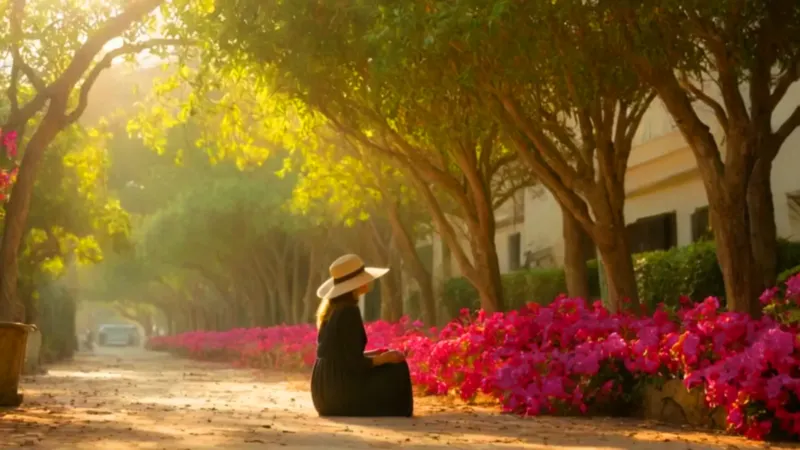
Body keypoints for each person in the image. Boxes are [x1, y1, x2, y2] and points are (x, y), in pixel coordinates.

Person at [311, 254, 414, 417]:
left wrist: (376, 354)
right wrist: (386, 358)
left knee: (390, 361)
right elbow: (354, 364)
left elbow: (341, 356)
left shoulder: (331, 311)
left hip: (323, 394)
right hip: (340, 396)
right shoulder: (349, 311)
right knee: (397, 368)